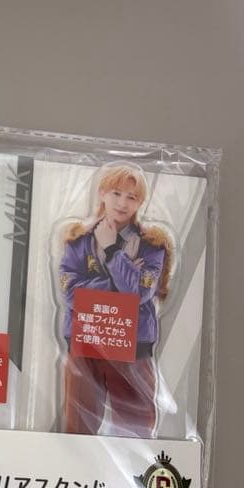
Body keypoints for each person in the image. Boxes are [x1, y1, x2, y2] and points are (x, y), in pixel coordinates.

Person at [58, 163, 173, 438]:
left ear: (140, 202)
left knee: (135, 430)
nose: (122, 203)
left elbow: (140, 293)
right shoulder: (78, 240)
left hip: (132, 345)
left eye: (131, 197)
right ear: (102, 193)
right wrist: (122, 279)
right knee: (78, 430)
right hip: (86, 342)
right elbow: (70, 292)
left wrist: (112, 251)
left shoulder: (153, 244)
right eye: (116, 193)